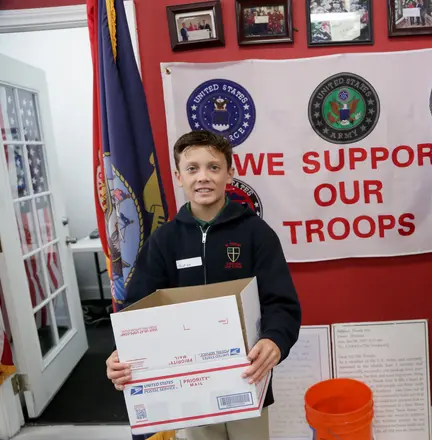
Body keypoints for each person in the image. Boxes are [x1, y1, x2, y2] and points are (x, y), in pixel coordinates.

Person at [105, 130, 302, 440]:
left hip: (248, 378)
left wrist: (275, 340)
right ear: (178, 176)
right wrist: (123, 352)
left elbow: (281, 302)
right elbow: (137, 309)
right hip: (189, 388)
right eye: (192, 168)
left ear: (229, 173)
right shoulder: (164, 241)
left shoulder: (257, 234)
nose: (203, 177)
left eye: (213, 167)